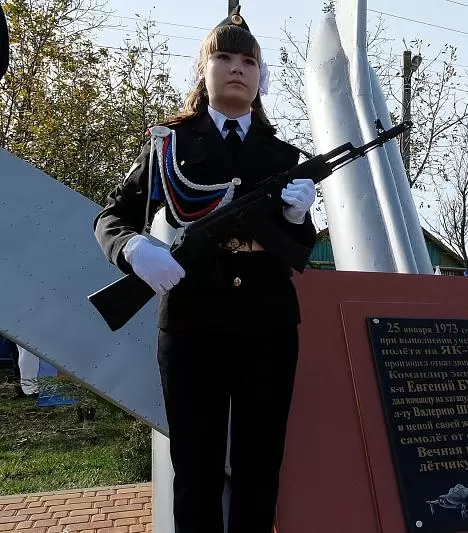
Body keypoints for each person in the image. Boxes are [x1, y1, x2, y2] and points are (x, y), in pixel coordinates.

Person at [93, 7, 316, 533]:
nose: (236, 67)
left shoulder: (283, 155)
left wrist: (297, 215)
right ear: (203, 69)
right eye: (223, 57)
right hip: (193, 322)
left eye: (248, 60)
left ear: (260, 77)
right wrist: (133, 250)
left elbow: (300, 248)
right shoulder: (168, 143)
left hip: (268, 326)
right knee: (196, 470)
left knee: (261, 469)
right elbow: (112, 216)